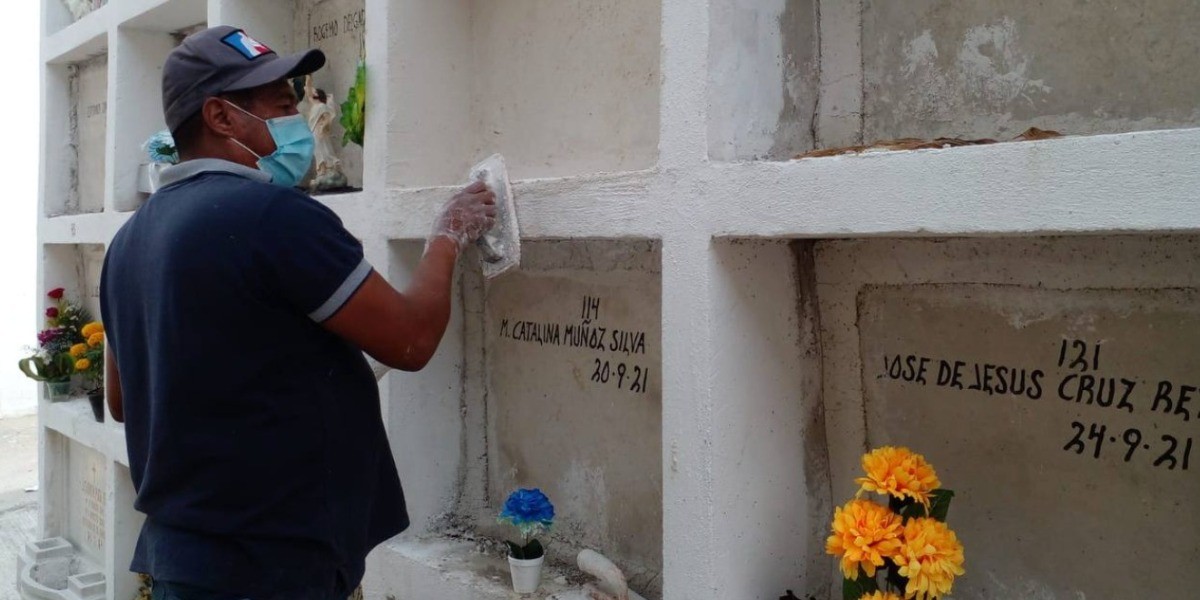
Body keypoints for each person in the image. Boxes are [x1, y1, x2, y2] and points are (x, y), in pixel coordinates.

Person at [99, 26, 495, 600]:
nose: (299, 122)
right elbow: (411, 341)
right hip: (271, 566)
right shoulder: (270, 215)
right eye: (284, 106)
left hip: (182, 561)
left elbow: (121, 401)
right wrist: (447, 236)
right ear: (221, 116)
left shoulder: (128, 240)